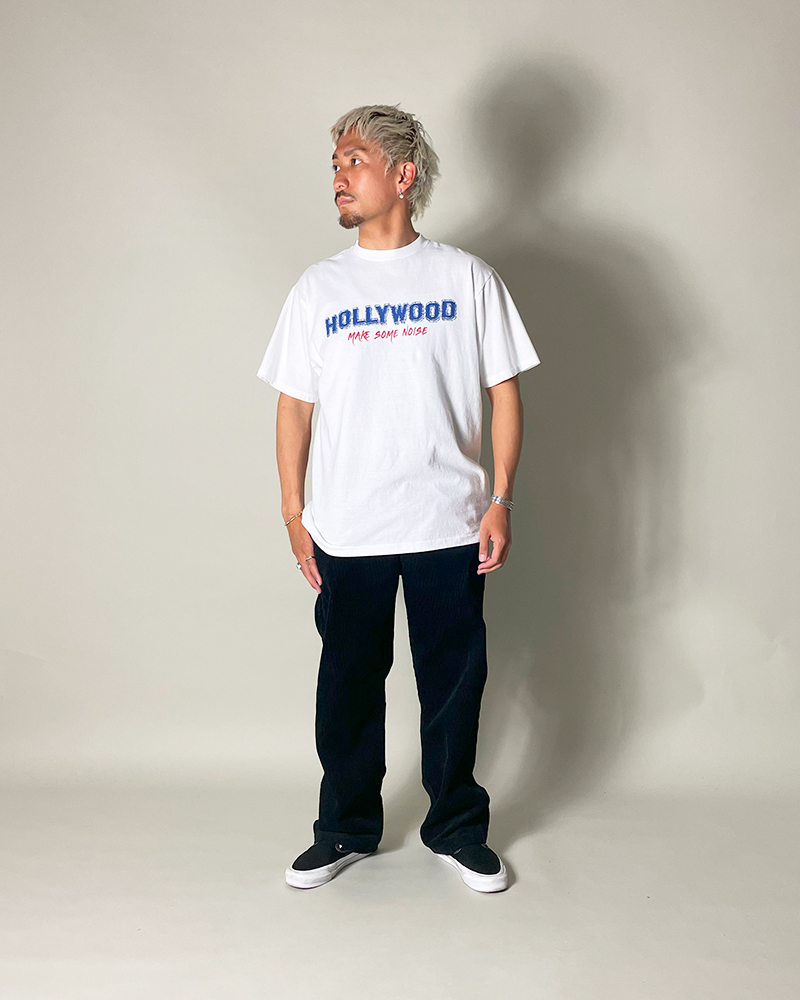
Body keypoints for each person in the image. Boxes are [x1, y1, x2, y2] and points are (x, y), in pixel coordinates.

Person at [256, 104, 541, 893]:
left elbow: (504, 391)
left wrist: (501, 498)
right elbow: (294, 406)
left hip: (448, 521)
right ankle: (345, 828)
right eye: (335, 164)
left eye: (354, 160)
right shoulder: (320, 288)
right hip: (348, 527)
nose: (338, 177)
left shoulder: (465, 278)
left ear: (403, 174)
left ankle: (456, 828)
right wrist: (293, 513)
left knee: (454, 684)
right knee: (348, 685)